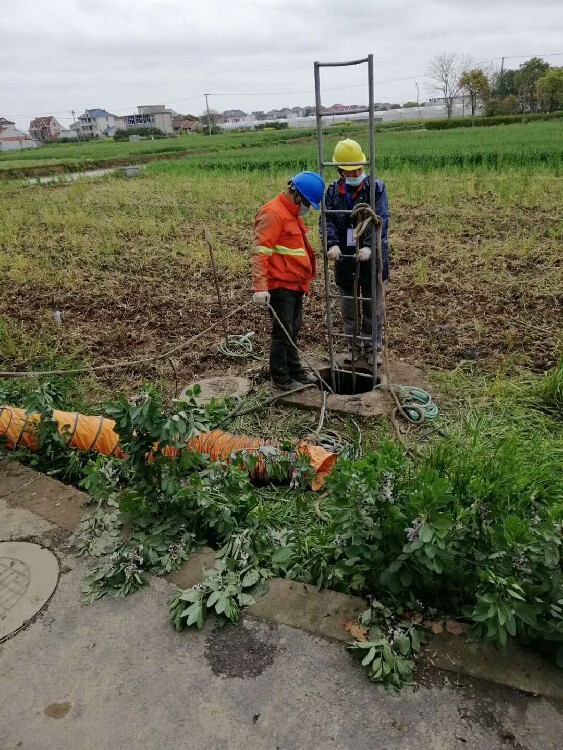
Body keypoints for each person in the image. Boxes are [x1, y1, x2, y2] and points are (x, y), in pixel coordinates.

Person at [252, 171, 325, 390]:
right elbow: (260, 252)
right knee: (282, 333)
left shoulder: (291, 214)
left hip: (295, 285)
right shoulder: (273, 213)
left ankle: (296, 371)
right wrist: (260, 287)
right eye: (307, 203)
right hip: (280, 286)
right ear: (297, 196)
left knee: (292, 330)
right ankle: (281, 379)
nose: (308, 209)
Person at [324, 139, 389, 365]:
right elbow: (328, 219)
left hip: (372, 257)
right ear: (341, 171)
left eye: (360, 169)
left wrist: (370, 246)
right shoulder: (332, 192)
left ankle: (372, 348)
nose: (357, 173)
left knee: (373, 305)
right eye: (352, 171)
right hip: (345, 258)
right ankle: (352, 346)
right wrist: (332, 244)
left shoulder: (376, 188)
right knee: (349, 306)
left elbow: (380, 219)